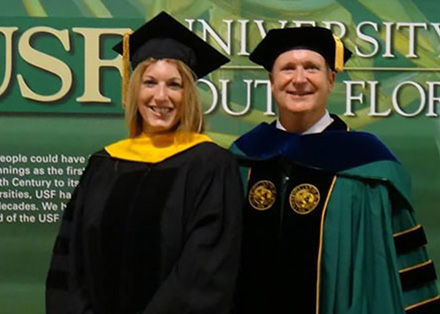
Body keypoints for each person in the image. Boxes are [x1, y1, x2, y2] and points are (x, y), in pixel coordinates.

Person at [230, 27, 439, 314]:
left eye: (312, 68)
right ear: (271, 80)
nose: (299, 79)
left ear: (331, 79)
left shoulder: (366, 165)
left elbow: (384, 271)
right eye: (287, 68)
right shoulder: (244, 159)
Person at [45, 11, 242, 314]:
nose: (160, 96)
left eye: (174, 85)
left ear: (188, 94)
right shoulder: (103, 163)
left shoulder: (211, 165)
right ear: (134, 90)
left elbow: (204, 271)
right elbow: (70, 263)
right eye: (149, 82)